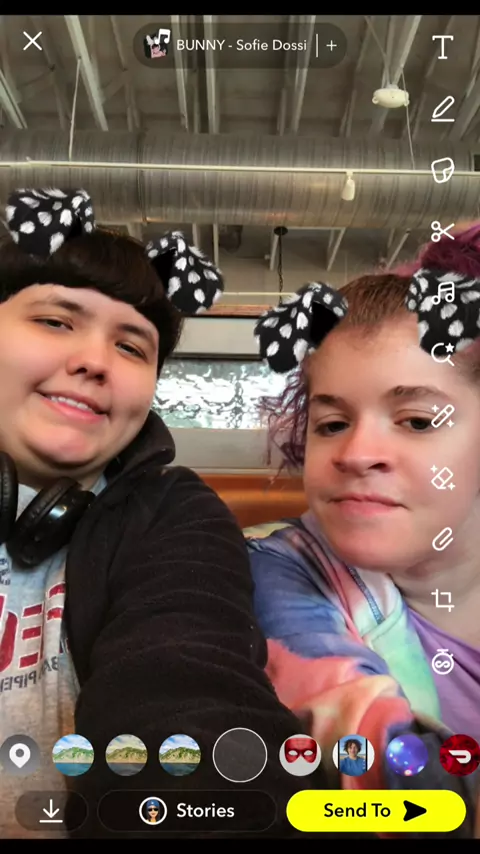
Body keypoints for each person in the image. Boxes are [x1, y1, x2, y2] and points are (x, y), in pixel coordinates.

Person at [0, 187, 339, 840]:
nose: (95, 361)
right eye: (56, 321)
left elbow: (191, 692)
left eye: (132, 347)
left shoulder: (172, 514)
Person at [246, 225, 480, 838]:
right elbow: (383, 762)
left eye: (417, 420)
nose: (356, 453)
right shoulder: (278, 569)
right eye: (331, 424)